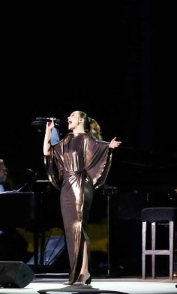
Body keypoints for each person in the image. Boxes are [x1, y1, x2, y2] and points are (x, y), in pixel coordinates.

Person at [43, 111, 121, 286]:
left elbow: (101, 146)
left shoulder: (87, 138)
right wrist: (49, 131)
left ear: (80, 120)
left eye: (72, 115)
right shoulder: (67, 140)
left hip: (80, 184)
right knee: (72, 229)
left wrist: (109, 146)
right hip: (66, 186)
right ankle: (79, 272)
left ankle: (83, 271)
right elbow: (47, 151)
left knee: (79, 226)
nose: (68, 118)